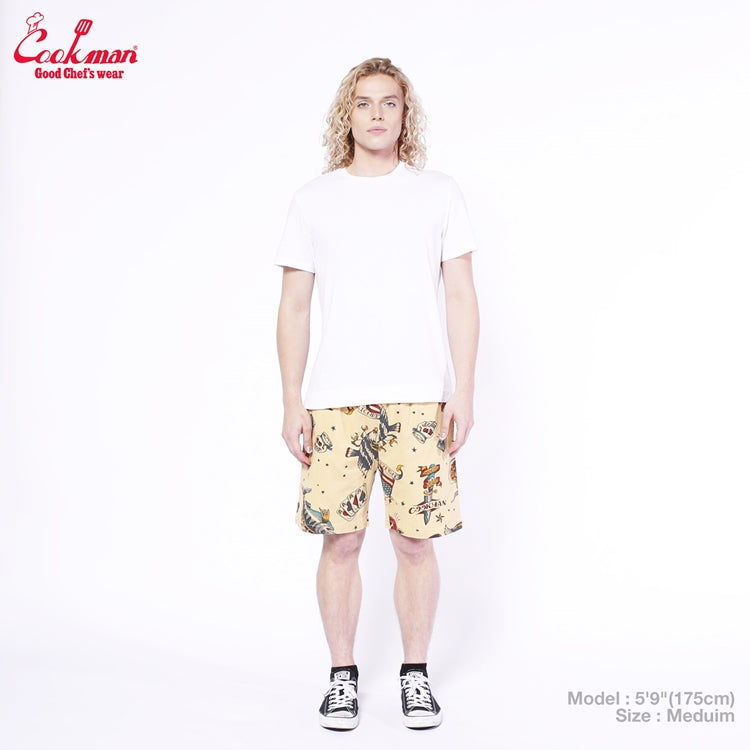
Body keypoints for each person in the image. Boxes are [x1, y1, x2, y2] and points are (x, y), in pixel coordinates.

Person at [275, 57, 479, 731]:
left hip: (420, 398)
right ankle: (342, 678)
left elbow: (461, 295)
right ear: (348, 114)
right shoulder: (314, 200)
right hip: (336, 401)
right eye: (363, 103)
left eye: (389, 102)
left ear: (404, 114)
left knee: (416, 542)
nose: (376, 114)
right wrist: (292, 399)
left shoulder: (438, 194)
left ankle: (415, 676)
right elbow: (294, 307)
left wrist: (464, 390)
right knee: (340, 541)